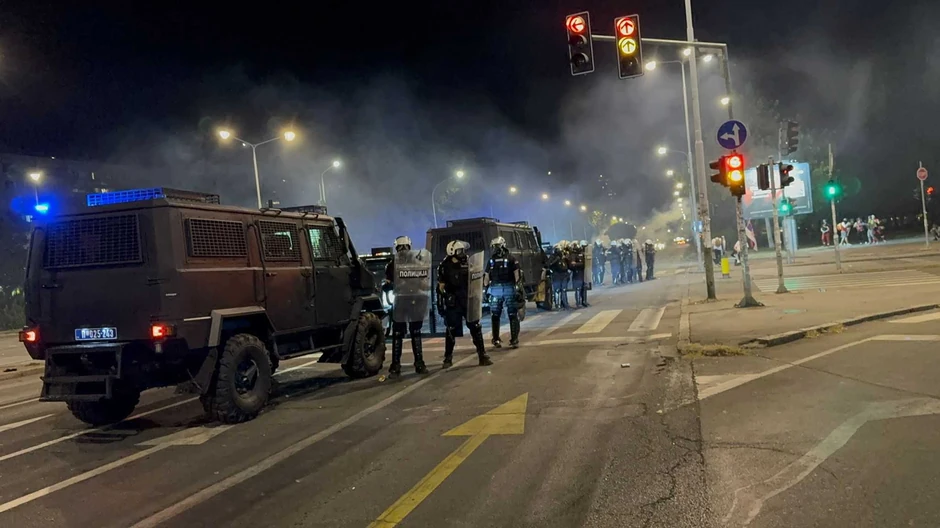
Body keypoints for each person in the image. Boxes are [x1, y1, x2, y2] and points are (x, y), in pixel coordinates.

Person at [437, 240, 492, 368]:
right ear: (452, 251)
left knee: (475, 327)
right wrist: (445, 296)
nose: (462, 253)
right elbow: (440, 286)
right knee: (451, 330)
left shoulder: (468, 262)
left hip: (467, 299)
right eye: (459, 251)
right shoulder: (445, 266)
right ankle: (448, 358)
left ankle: (482, 355)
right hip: (454, 302)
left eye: (462, 251)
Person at [385, 236, 430, 378]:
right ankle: (397, 366)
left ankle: (417, 363)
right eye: (401, 248)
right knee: (399, 333)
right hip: (401, 300)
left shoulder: (416, 262)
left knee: (414, 332)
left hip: (413, 298)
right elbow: (389, 281)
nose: (403, 250)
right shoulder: (392, 265)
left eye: (405, 248)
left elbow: (424, 281)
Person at [485, 236, 522, 349]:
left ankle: (513, 338)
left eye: (497, 246)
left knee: (511, 314)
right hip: (498, 289)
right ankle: (497, 338)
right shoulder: (492, 260)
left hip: (507, 289)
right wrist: (486, 289)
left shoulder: (510, 259)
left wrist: (518, 288)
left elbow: (517, 274)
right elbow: (486, 276)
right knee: (496, 315)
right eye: (494, 247)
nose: (495, 249)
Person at [548, 241, 570, 309]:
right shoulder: (552, 257)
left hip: (564, 275)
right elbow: (549, 264)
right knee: (557, 290)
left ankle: (565, 304)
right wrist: (555, 260)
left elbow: (567, 264)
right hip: (556, 275)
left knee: (564, 290)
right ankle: (557, 305)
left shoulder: (563, 257)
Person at [569, 240, 589, 307]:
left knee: (584, 287)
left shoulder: (582, 253)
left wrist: (578, 264)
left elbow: (584, 263)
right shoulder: (573, 254)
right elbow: (572, 265)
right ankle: (578, 303)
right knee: (578, 288)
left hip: (583, 272)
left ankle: (584, 301)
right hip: (577, 274)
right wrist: (579, 264)